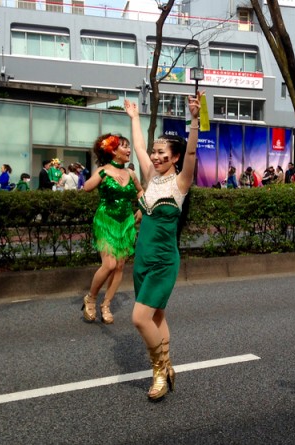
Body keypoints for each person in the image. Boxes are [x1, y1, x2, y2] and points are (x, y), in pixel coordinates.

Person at [125, 92, 201, 401]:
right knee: (156, 316)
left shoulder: (180, 183)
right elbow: (138, 146)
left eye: (161, 153)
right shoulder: (150, 177)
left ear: (175, 157)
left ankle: (158, 372)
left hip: (163, 261)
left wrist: (194, 119)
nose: (155, 157)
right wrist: (134, 118)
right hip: (142, 260)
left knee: (139, 318)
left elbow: (192, 151)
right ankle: (167, 365)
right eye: (154, 152)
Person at [82, 133, 143, 325]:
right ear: (113, 150)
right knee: (109, 264)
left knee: (119, 266)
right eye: (124, 146)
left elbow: (140, 191)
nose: (128, 150)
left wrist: (141, 207)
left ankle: (106, 305)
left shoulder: (131, 174)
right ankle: (91, 298)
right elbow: (86, 187)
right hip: (106, 220)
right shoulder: (103, 170)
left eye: (128, 146)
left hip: (126, 223)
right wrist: (103, 173)